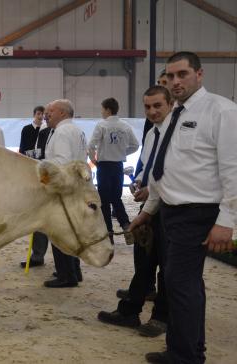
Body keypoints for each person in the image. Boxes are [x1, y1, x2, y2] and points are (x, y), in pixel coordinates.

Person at [130, 51, 237, 364]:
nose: (176, 81)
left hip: (198, 212)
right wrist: (149, 211)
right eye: (171, 76)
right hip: (171, 212)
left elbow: (233, 169)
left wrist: (227, 219)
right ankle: (182, 349)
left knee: (181, 282)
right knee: (179, 282)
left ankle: (188, 355)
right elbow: (167, 171)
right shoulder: (173, 116)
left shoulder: (221, 111)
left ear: (199, 74)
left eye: (182, 74)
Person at [97, 86, 173, 338]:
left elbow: (172, 174)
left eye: (157, 106)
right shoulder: (152, 133)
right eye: (148, 107)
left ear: (170, 104)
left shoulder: (178, 133)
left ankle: (161, 317)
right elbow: (148, 165)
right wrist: (140, 181)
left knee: (167, 267)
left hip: (170, 208)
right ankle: (130, 310)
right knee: (144, 260)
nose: (152, 111)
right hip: (149, 203)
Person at [42, 99, 86, 288]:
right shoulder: (76, 130)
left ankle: (66, 275)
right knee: (72, 229)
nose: (47, 114)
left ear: (62, 112)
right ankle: (74, 270)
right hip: (76, 185)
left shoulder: (61, 132)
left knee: (60, 230)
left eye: (50, 111)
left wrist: (44, 175)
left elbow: (62, 161)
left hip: (63, 188)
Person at [88, 98, 139, 243]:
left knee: (104, 200)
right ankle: (126, 226)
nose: (101, 111)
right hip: (118, 166)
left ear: (108, 110)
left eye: (102, 109)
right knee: (116, 198)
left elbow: (91, 145)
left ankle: (108, 234)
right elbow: (135, 145)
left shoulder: (101, 125)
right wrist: (122, 153)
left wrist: (93, 160)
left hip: (104, 166)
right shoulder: (125, 126)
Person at [18, 105, 51, 268]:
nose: (42, 116)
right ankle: (38, 255)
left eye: (44, 114)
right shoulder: (27, 129)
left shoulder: (49, 131)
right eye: (39, 114)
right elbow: (23, 149)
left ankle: (66, 264)